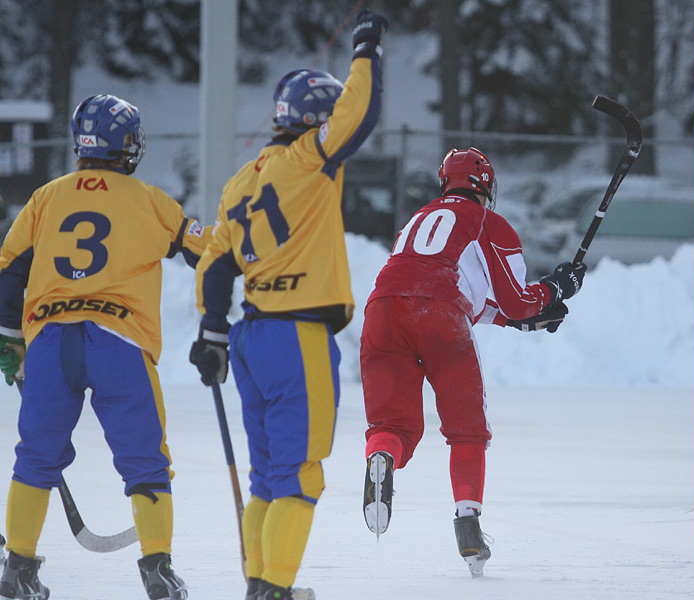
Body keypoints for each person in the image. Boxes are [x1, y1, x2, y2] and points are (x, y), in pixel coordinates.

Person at [188, 9, 388, 600]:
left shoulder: (239, 181)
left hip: (251, 337)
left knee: (266, 478)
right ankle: (274, 589)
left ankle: (260, 583)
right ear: (312, 122)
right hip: (298, 335)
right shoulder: (310, 158)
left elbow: (215, 265)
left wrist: (212, 333)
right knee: (300, 475)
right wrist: (366, 48)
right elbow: (363, 111)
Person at [0, 94, 212, 600]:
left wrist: (10, 338)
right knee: (146, 460)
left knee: (35, 457)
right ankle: (157, 570)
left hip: (51, 341)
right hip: (119, 340)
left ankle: (18, 567)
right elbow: (204, 247)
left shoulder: (46, 197)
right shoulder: (148, 199)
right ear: (127, 146)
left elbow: (10, 270)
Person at [359, 146, 585, 578]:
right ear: (486, 186)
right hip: (441, 316)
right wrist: (557, 288)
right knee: (466, 430)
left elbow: (438, 283)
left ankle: (381, 459)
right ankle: (468, 525)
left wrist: (511, 323)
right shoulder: (487, 221)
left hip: (383, 310)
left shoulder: (417, 220)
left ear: (445, 182)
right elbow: (517, 301)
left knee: (393, 426)